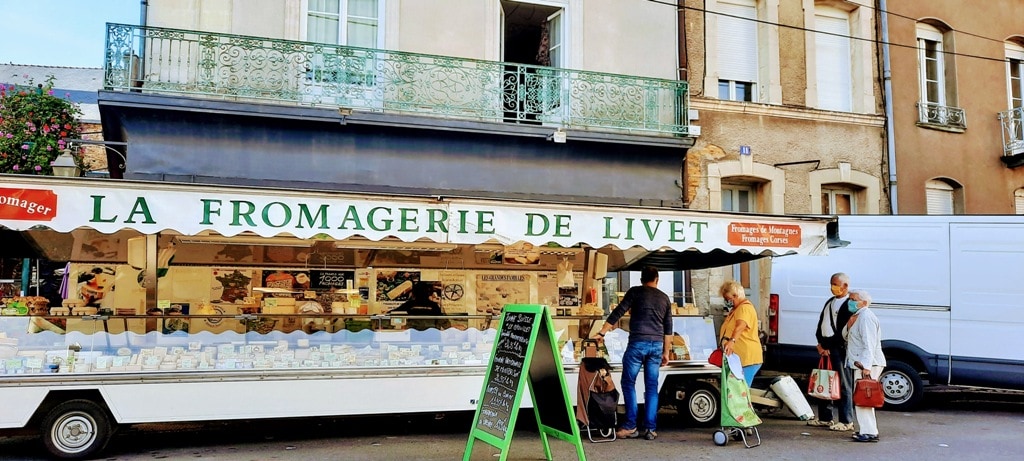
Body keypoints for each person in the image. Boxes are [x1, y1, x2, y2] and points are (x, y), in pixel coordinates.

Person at [593, 266, 672, 441]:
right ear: (657, 279)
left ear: (641, 279)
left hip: (637, 344)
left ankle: (630, 425)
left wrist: (602, 332)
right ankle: (650, 429)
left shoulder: (635, 292)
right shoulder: (665, 298)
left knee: (628, 382)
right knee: (652, 386)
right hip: (657, 346)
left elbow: (618, 312)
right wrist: (666, 352)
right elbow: (668, 330)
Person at [807, 272, 855, 431]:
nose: (832, 288)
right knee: (823, 382)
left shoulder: (849, 304)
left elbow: (843, 330)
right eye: (831, 284)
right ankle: (825, 417)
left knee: (843, 384)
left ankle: (846, 420)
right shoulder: (830, 302)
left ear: (845, 286)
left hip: (838, 349)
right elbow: (821, 323)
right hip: (825, 348)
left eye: (835, 284)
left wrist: (828, 346)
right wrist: (820, 344)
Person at [844, 289, 886, 443]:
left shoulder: (866, 317)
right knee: (863, 396)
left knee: (864, 397)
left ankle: (869, 432)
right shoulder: (858, 316)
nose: (850, 301)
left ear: (864, 302)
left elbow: (869, 344)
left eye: (853, 299)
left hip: (867, 363)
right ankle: (866, 430)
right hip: (862, 363)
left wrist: (866, 367)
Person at [718, 280, 763, 387]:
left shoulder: (744, 308)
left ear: (736, 295)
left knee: (740, 391)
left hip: (747, 359)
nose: (727, 302)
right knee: (738, 391)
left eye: (728, 299)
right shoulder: (736, 309)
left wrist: (732, 341)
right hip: (739, 359)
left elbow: (740, 326)